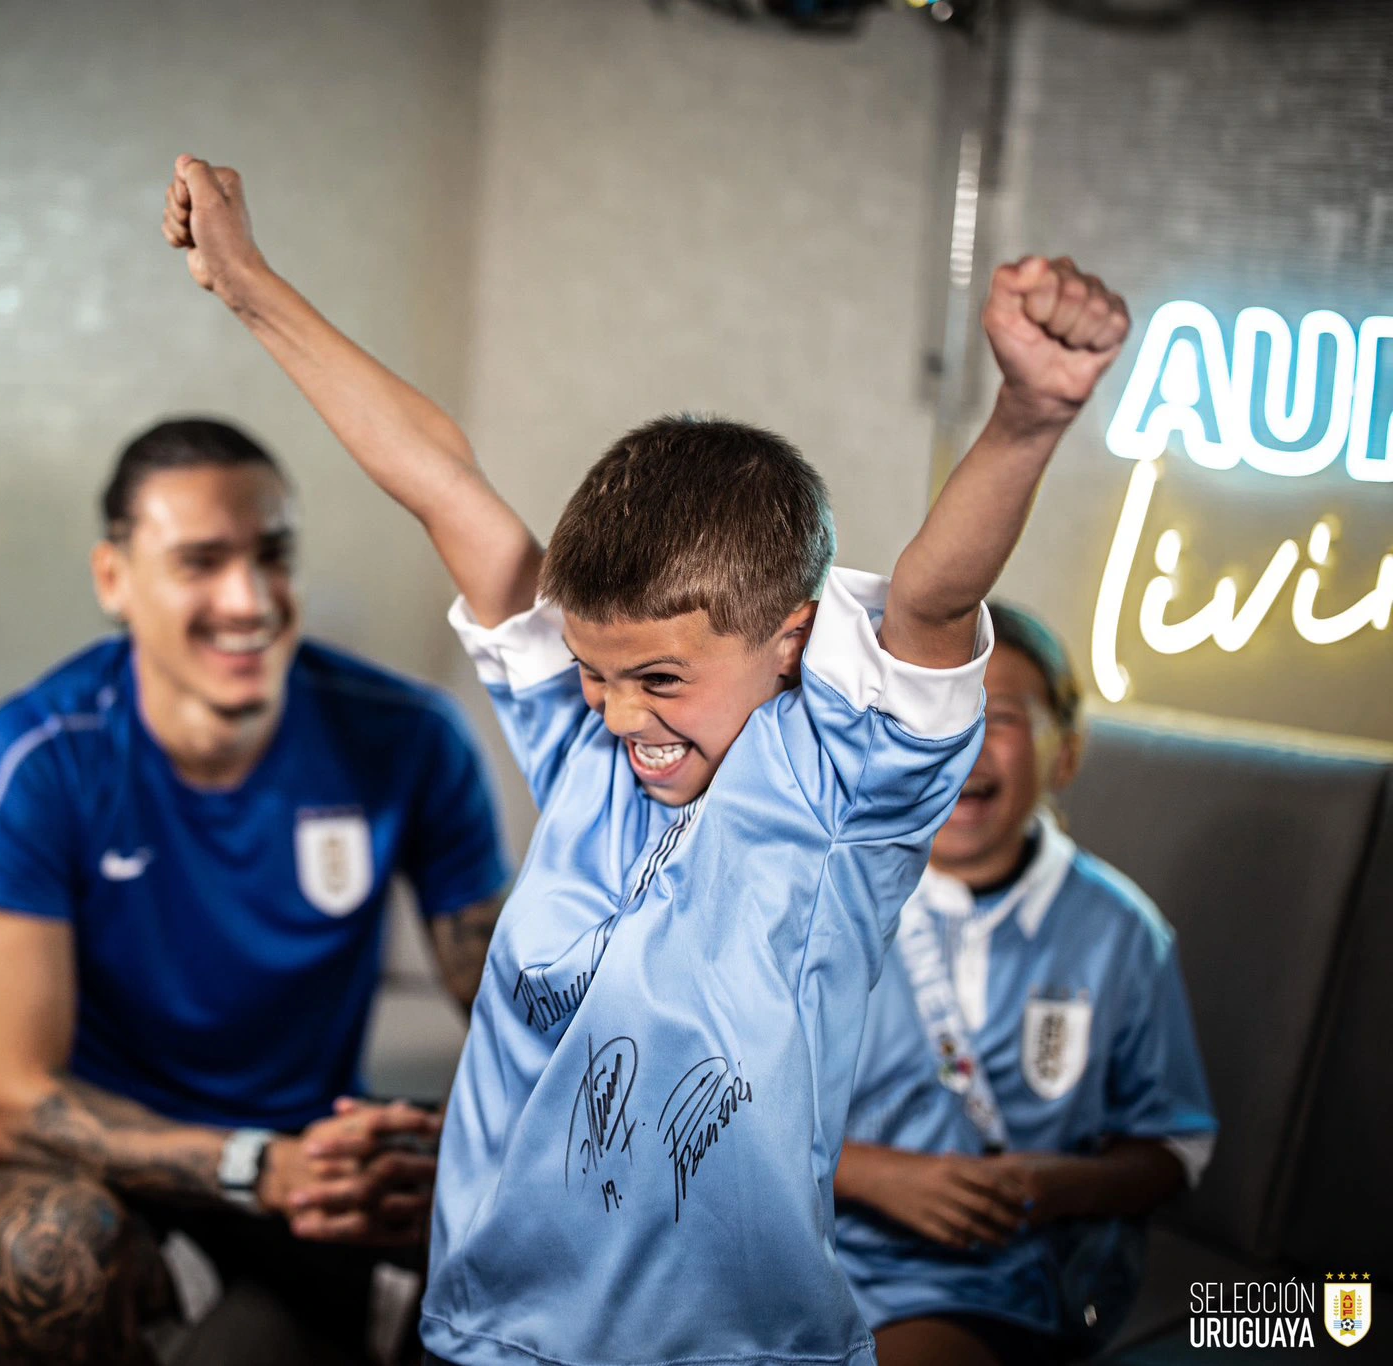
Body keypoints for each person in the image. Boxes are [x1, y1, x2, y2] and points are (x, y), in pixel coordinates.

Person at [163, 154, 1131, 1366]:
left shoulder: (842, 792)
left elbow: (935, 598)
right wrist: (247, 284)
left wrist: (1027, 415)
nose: (618, 715)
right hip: (480, 1336)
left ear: (791, 640)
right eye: (594, 669)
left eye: (661, 678)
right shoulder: (583, 740)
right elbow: (439, 482)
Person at [0, 417, 511, 1364]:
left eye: (272, 556)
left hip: (311, 1155)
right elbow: (6, 1098)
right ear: (115, 580)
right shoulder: (32, 760)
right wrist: (249, 1168)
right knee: (50, 1251)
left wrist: (471, 1146)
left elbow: (516, 1017)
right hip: (109, 1164)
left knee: (536, 1205)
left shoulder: (407, 735)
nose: (247, 599)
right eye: (199, 562)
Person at [832, 604, 1216, 1366]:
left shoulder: (1120, 933)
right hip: (801, 1251)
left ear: (1065, 754)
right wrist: (876, 1174)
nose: (962, 743)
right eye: (931, 716)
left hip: (986, 1282)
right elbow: (739, 1104)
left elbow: (1173, 1146)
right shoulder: (834, 900)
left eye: (998, 716)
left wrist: (1054, 1186)